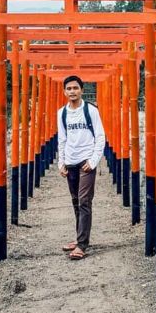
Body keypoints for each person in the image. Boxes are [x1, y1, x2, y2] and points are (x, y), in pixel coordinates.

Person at [57, 74, 105, 260]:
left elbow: (100, 137)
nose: (72, 91)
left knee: (84, 201)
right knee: (76, 200)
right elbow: (62, 139)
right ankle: (79, 238)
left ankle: (82, 245)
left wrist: (93, 161)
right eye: (69, 89)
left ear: (82, 90)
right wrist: (61, 162)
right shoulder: (61, 113)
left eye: (75, 88)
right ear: (64, 91)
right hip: (70, 162)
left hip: (86, 162)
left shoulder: (91, 110)